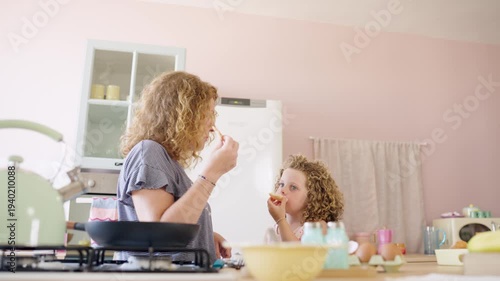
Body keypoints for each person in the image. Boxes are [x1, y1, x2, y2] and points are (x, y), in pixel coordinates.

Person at [116, 71, 239, 264]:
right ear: (182, 115)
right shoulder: (148, 152)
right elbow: (161, 237)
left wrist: (203, 234)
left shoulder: (166, 160)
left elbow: (174, 221)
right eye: (206, 115)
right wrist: (213, 173)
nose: (212, 125)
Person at [267, 154, 344, 241]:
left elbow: (298, 252)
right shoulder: (277, 227)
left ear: (312, 197)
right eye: (281, 184)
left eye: (293, 187)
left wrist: (281, 220)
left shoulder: (316, 227)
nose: (282, 190)